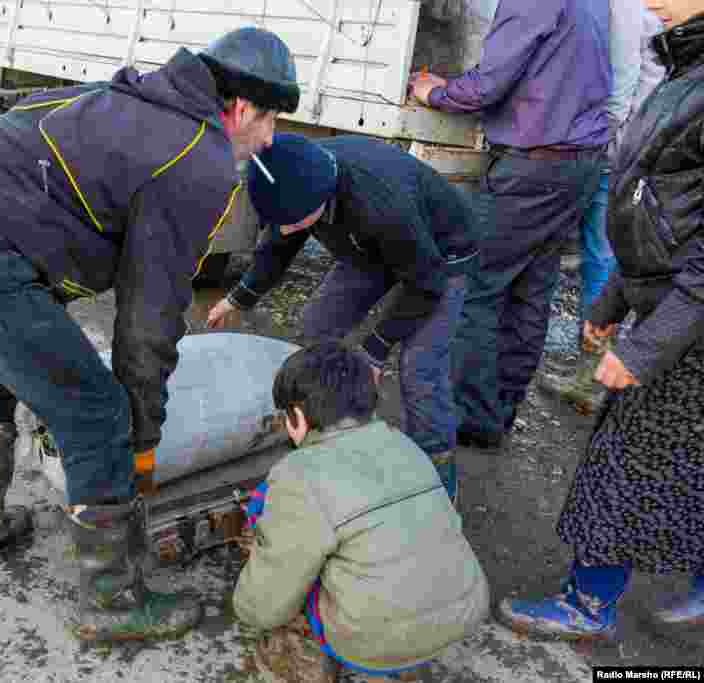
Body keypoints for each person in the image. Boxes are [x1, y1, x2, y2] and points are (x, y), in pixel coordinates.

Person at [0, 27, 300, 641]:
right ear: (239, 108)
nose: (268, 138)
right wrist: (142, 438)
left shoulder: (139, 98)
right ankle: (114, 602)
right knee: (97, 410)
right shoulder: (198, 160)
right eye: (269, 122)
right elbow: (148, 321)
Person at [497, 0, 704, 640]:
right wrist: (614, 297)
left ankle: (589, 604)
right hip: (669, 303)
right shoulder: (684, 66)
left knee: (623, 462)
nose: (647, 1)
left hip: (684, 320)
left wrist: (645, 349)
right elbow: (656, 204)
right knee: (687, 459)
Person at [207, 133, 479, 502]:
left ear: (320, 199)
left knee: (420, 371)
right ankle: (317, 435)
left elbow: (426, 284)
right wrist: (238, 298)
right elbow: (277, 244)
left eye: (291, 221)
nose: (286, 229)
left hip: (440, 259)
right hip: (370, 249)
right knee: (312, 334)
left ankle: (438, 479)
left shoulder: (383, 203)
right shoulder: (297, 180)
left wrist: (376, 350)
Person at [410, 0, 610, 449]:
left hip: (534, 164)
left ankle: (473, 417)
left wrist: (434, 92)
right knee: (530, 292)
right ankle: (499, 410)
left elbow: (489, 85)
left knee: (477, 283)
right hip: (577, 162)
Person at [233, 342, 489, 683]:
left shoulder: (299, 473)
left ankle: (298, 666)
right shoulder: (404, 444)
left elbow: (267, 601)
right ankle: (398, 670)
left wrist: (248, 609)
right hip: (463, 608)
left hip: (378, 637)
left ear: (295, 416)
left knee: (282, 600)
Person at [539, 0, 666, 414]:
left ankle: (589, 377)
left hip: (613, 148)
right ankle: (593, 372)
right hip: (636, 143)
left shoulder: (628, 6)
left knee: (599, 256)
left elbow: (622, 79)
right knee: (604, 255)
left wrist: (601, 141)